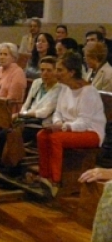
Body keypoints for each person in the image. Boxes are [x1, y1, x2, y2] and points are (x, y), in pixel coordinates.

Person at [37, 52, 106, 197]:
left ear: (72, 72)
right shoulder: (64, 88)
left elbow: (84, 122)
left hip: (91, 132)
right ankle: (45, 177)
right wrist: (57, 123)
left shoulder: (88, 92)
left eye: (60, 70)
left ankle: (56, 181)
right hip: (69, 129)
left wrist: (62, 127)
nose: (56, 73)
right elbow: (58, 112)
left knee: (56, 138)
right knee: (42, 135)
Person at [0, 42, 27, 113]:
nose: (1, 57)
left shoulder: (18, 73)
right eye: (0, 54)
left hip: (6, 111)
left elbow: (12, 99)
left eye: (5, 54)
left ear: (14, 57)